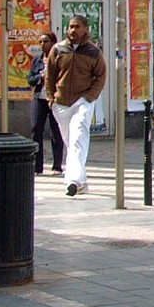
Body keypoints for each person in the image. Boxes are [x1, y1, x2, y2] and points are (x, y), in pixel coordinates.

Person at [46, 15, 108, 197]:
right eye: (71, 26)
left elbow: (101, 76)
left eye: (77, 27)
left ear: (86, 29)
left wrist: (90, 97)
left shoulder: (93, 52)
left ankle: (72, 180)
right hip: (61, 103)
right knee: (70, 140)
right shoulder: (58, 50)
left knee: (78, 136)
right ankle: (81, 182)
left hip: (82, 100)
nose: (73, 30)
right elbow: (50, 76)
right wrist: (51, 99)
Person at [27, 32, 63, 176]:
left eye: (46, 41)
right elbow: (30, 79)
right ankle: (37, 166)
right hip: (39, 98)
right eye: (40, 42)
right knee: (36, 129)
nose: (43, 45)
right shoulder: (37, 61)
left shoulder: (60, 59)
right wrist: (40, 77)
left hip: (54, 99)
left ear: (53, 42)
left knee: (55, 132)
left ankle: (57, 166)